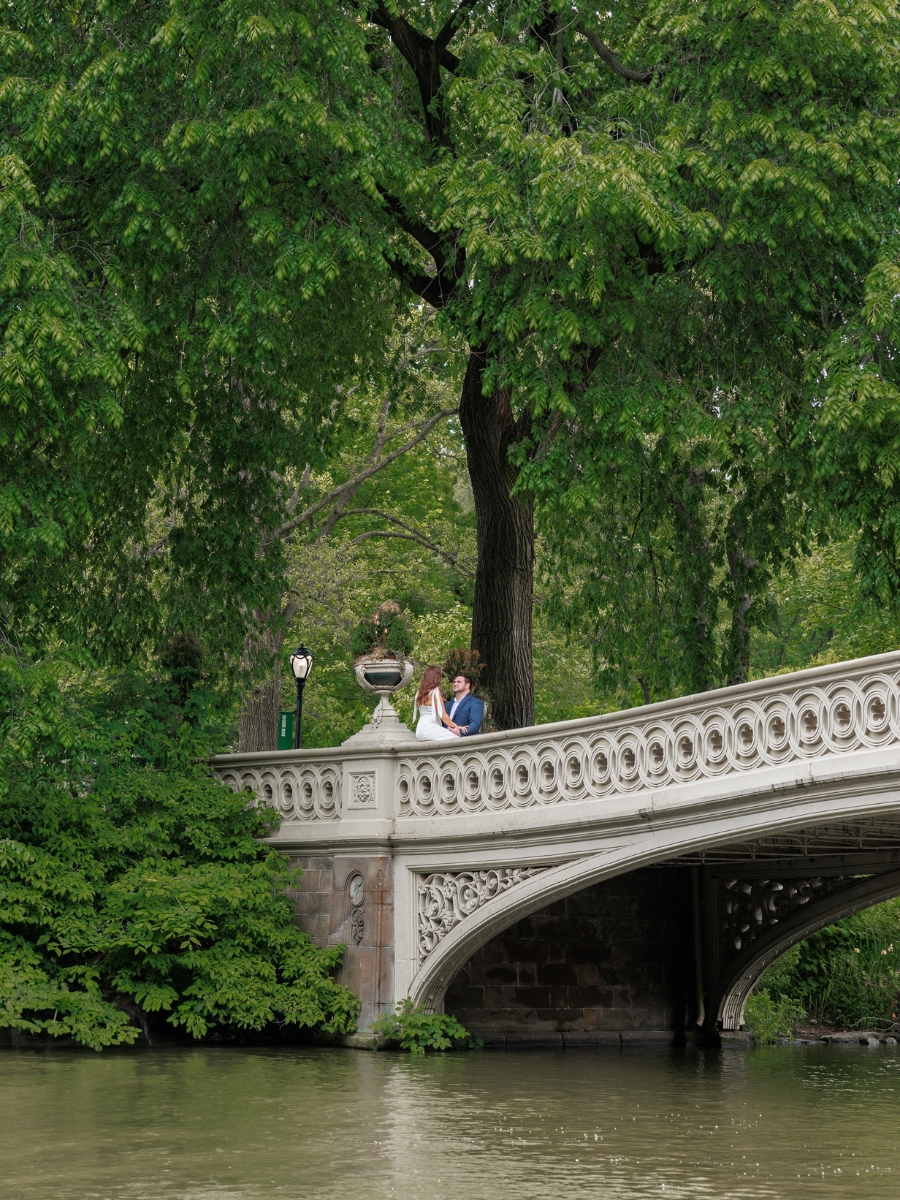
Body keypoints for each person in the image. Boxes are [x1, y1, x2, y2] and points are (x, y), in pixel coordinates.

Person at [414, 666, 459, 742]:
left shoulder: (419, 693)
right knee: (458, 741)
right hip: (430, 728)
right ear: (436, 677)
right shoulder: (435, 691)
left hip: (419, 730)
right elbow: (443, 715)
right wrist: (454, 727)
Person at [445, 671, 485, 737]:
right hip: (444, 742)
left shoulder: (475, 703)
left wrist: (459, 732)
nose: (455, 684)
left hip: (464, 743)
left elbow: (474, 725)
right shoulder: (447, 705)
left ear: (467, 685)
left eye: (459, 682)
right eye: (454, 682)